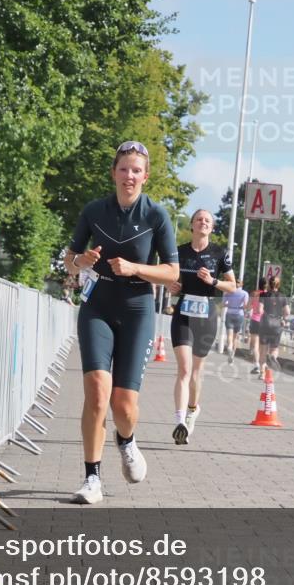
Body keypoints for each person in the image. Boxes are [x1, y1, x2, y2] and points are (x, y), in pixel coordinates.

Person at [64, 141, 179, 504]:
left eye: (136, 170)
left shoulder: (156, 216)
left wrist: (135, 269)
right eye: (123, 168)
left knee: (123, 406)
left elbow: (172, 272)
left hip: (137, 309)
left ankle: (126, 440)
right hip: (97, 305)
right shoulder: (94, 211)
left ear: (145, 176)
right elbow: (69, 259)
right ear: (114, 172)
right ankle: (91, 478)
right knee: (97, 393)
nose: (129, 176)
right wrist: (81, 261)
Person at [167, 209, 236, 445]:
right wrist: (171, 286)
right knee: (184, 370)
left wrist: (213, 281)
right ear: (192, 226)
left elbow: (233, 286)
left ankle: (193, 409)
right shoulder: (179, 251)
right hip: (183, 314)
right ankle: (180, 422)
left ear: (212, 227)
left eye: (207, 220)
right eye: (199, 219)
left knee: (196, 371)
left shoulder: (220, 253)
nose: (203, 222)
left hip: (206, 316)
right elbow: (169, 278)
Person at [257, 276, 290, 373]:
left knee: (263, 349)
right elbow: (287, 312)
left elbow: (259, 310)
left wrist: (265, 314)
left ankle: (262, 373)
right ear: (278, 285)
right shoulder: (283, 297)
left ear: (269, 284)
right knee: (274, 348)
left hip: (265, 324)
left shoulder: (264, 295)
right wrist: (283, 318)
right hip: (277, 325)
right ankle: (273, 357)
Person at [223, 280, 249, 364]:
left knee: (229, 335)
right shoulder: (245, 293)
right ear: (242, 284)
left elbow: (224, 304)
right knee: (235, 337)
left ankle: (229, 347)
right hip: (239, 315)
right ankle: (232, 355)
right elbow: (245, 306)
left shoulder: (228, 292)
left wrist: (230, 305)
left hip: (229, 314)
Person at [248, 278, 267, 375]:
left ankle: (256, 365)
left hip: (255, 320)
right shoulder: (268, 295)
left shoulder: (254, 293)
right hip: (264, 321)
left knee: (255, 345)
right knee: (262, 346)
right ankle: (262, 365)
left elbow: (248, 306)